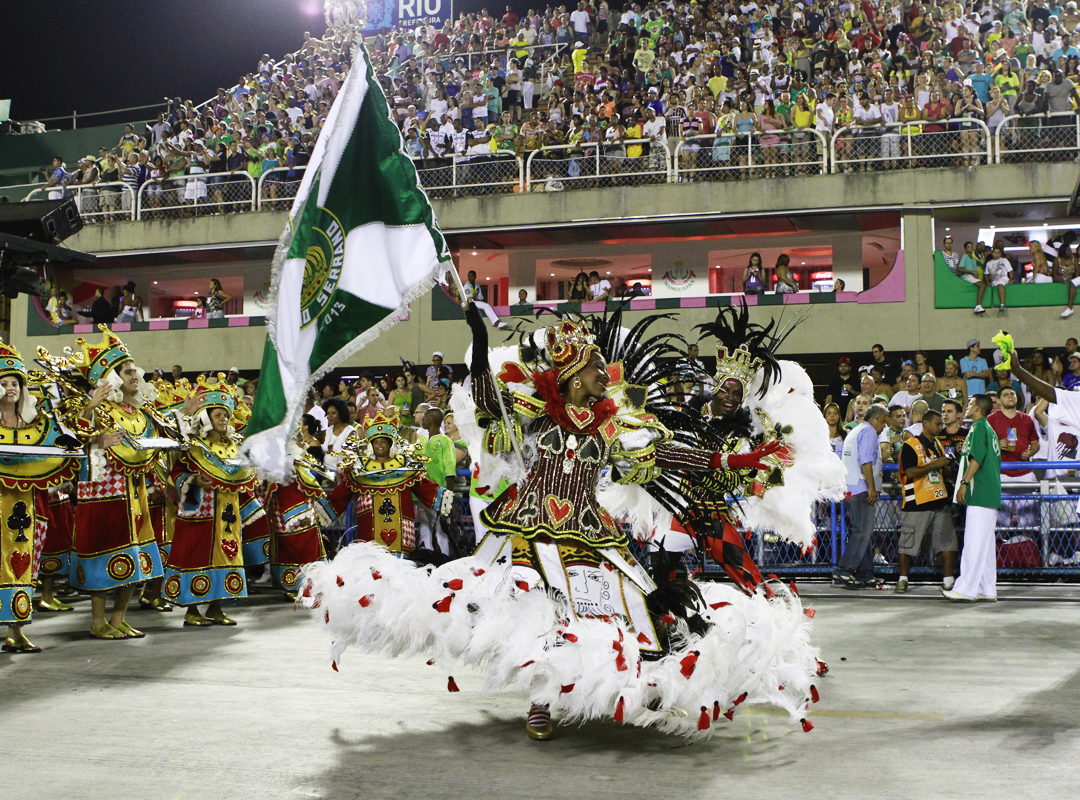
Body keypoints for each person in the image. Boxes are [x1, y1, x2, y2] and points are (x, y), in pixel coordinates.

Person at [301, 304, 830, 742]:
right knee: (534, 609)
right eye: (598, 369)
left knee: (626, 610)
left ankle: (633, 688)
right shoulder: (536, 411)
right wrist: (479, 339)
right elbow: (487, 397)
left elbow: (672, 456)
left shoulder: (614, 423)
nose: (606, 376)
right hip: (530, 527)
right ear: (574, 376)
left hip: (588, 531)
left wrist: (738, 461)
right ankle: (541, 702)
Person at [58, 326, 175, 639]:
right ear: (112, 378)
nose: (135, 375)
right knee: (104, 554)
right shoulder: (98, 409)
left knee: (135, 557)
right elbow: (71, 439)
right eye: (127, 371)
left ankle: (119, 617)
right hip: (104, 495)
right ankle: (98, 621)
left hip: (135, 495)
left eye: (135, 370)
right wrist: (95, 430)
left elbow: (157, 444)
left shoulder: (139, 413)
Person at [0, 340, 80, 652]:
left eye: (15, 383)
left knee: (24, 567)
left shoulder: (38, 425)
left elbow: (60, 448)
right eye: (4, 383)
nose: (11, 389)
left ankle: (16, 629)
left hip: (30, 508)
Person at [163, 378, 256, 626]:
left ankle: (216, 607)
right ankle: (192, 610)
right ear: (205, 418)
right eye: (218, 415)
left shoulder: (236, 447)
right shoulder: (194, 447)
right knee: (196, 556)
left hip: (228, 513)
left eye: (226, 415)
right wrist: (193, 479)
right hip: (199, 513)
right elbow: (174, 474)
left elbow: (244, 476)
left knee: (227, 555)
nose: (223, 419)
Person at [326, 406, 452, 558]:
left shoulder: (405, 466)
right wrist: (326, 508)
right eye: (376, 442)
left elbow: (421, 485)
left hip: (401, 538)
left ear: (390, 444)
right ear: (371, 445)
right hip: (369, 533)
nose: (380, 445)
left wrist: (442, 497)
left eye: (383, 441)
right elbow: (343, 492)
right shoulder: (359, 470)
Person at [943, 395, 1002, 602]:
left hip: (980, 493)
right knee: (984, 546)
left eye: (970, 404)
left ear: (977, 407)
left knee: (973, 543)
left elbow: (977, 458)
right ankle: (987, 588)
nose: (967, 407)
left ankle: (966, 589)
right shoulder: (989, 430)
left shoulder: (978, 428)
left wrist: (965, 483)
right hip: (989, 493)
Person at [895, 409, 958, 594]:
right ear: (926, 423)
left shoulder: (938, 445)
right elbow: (910, 472)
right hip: (917, 502)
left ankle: (948, 581)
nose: (941, 427)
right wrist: (935, 464)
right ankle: (903, 580)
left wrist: (946, 468)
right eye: (937, 424)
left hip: (939, 499)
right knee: (908, 542)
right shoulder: (910, 445)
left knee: (947, 542)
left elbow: (938, 471)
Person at [835, 403, 888, 589]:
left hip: (850, 487)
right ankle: (845, 569)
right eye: (882, 422)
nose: (884, 427)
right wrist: (871, 487)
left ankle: (866, 573)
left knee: (863, 532)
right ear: (874, 419)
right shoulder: (870, 433)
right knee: (862, 531)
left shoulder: (855, 431)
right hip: (861, 487)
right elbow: (865, 460)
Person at [974, 246, 1011, 314]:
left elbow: (1010, 270)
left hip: (1003, 278)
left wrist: (1011, 279)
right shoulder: (989, 263)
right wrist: (988, 282)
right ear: (992, 253)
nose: (996, 254)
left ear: (1000, 254)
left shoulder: (1004, 260)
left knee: (1000, 285)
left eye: (998, 253)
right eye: (995, 252)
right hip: (994, 281)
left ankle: (1002, 305)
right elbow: (986, 274)